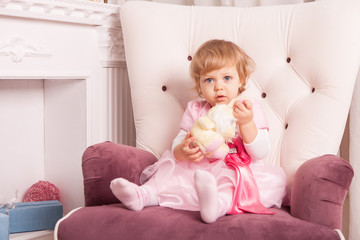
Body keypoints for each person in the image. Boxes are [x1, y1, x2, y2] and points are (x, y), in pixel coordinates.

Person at [110, 39, 287, 223]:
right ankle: (143, 195)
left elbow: (261, 152)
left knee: (244, 184)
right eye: (209, 80)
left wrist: (246, 123)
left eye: (227, 78)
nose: (219, 86)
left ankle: (216, 206)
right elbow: (178, 143)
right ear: (199, 85)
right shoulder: (196, 109)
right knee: (171, 176)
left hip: (237, 169)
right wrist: (182, 151)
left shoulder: (247, 108)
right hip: (199, 169)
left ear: (240, 79)